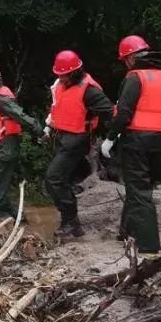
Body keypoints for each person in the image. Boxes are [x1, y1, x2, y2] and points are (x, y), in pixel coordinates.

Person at [102, 35, 161, 255]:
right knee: (140, 187)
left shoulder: (135, 77)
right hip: (158, 139)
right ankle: (126, 231)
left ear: (132, 58)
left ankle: (148, 245)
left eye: (125, 60)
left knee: (139, 191)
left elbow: (124, 112)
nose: (125, 64)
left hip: (136, 140)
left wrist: (110, 138)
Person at [44, 50, 115, 238]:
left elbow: (110, 113)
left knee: (54, 178)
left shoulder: (90, 90)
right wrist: (48, 128)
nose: (61, 78)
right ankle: (70, 221)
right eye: (59, 75)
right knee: (59, 180)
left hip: (77, 140)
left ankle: (71, 222)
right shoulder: (60, 85)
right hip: (61, 137)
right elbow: (56, 107)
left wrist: (111, 138)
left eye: (64, 75)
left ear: (75, 72)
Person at [0, 63, 44, 221]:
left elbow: (22, 117)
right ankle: (12, 215)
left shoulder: (2, 99)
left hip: (5, 146)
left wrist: (39, 130)